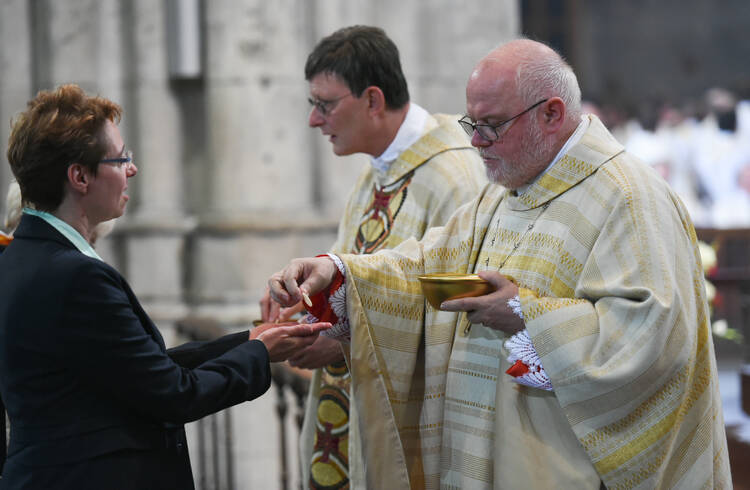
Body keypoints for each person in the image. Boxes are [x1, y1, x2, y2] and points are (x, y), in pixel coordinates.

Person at [269, 39, 732, 489]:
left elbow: (653, 340)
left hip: (557, 460)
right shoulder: (510, 186)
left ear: (551, 113)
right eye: (473, 122)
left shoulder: (628, 196)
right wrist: (340, 272)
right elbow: (430, 261)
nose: (474, 141)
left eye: (490, 125)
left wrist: (527, 315)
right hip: (484, 450)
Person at [0, 84, 330, 489]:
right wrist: (260, 354)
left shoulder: (21, 256)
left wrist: (249, 339)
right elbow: (173, 394)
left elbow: (140, 367)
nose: (132, 169)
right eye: (121, 158)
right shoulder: (74, 276)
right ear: (80, 176)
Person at [259, 25, 486, 489]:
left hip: (421, 424)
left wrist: (344, 336)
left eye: (325, 105)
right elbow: (354, 279)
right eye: (312, 105)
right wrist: (307, 317)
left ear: (373, 100)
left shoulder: (455, 176)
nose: (314, 121)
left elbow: (467, 309)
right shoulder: (376, 173)